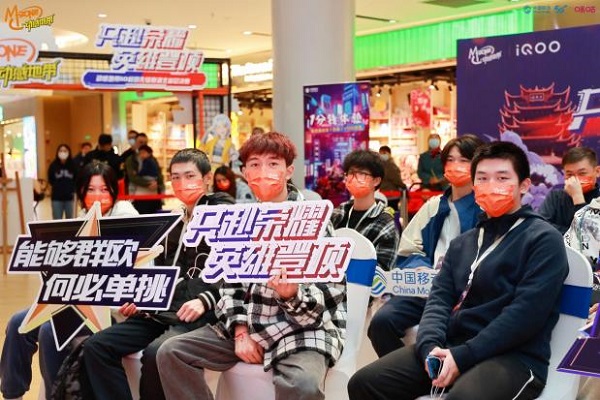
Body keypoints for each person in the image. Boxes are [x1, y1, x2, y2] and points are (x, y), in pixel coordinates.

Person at [348, 141, 569, 400]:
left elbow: (525, 315)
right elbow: (439, 300)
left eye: (502, 178)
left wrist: (463, 356)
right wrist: (429, 348)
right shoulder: (464, 242)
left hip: (513, 356)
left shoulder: (543, 239)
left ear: (524, 185)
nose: (491, 185)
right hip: (452, 346)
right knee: (364, 383)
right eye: (482, 178)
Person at [156, 132, 346, 400]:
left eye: (273, 163)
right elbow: (229, 285)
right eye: (255, 164)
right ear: (245, 173)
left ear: (289, 171)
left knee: (302, 384)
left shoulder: (312, 220)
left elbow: (329, 298)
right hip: (249, 323)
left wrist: (292, 295)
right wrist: (240, 330)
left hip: (302, 330)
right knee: (172, 352)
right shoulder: (240, 219)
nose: (263, 172)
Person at [82, 149, 234, 400]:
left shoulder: (224, 213)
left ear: (207, 178)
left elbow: (233, 271)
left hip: (199, 313)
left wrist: (205, 299)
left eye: (189, 176)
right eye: (175, 177)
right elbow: (162, 273)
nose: (182, 183)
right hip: (162, 311)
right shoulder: (174, 221)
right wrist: (142, 299)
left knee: (156, 352)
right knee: (97, 346)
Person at [0, 161, 138, 400]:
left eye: (104, 189)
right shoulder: (83, 218)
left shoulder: (125, 216)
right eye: (90, 189)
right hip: (75, 301)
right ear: (81, 191)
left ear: (114, 191)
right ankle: (13, 394)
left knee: (50, 331)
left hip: (111, 309)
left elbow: (140, 273)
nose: (97, 195)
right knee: (18, 323)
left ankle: (59, 395)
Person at [368, 135, 484, 357]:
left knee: (449, 334)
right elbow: (410, 247)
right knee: (381, 323)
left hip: (467, 295)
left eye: (464, 160)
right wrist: (419, 267)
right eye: (450, 160)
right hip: (426, 288)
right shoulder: (434, 206)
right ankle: (404, 372)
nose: (456, 166)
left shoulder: (485, 208)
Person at [330, 149, 399, 272]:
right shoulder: (337, 214)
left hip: (363, 282)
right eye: (351, 173)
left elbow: (383, 272)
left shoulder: (385, 223)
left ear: (376, 180)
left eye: (361, 174)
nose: (354, 178)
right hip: (329, 281)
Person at [539, 147, 600, 234]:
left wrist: (578, 198)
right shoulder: (555, 197)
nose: (575, 180)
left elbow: (591, 234)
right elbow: (539, 227)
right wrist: (573, 234)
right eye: (570, 174)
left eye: (582, 173)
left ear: (597, 172)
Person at [125, 133, 165, 214]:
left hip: (154, 196)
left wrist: (157, 183)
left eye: (145, 142)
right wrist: (148, 183)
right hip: (138, 197)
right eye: (140, 142)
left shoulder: (152, 159)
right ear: (135, 143)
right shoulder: (131, 159)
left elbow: (159, 174)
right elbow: (132, 177)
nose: (143, 145)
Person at [47, 144, 76, 220]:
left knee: (70, 220)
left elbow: (76, 179)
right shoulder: (53, 165)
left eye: (65, 151)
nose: (63, 152)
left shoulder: (73, 165)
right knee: (57, 220)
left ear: (69, 152)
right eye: (61, 151)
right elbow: (50, 179)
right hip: (56, 198)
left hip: (70, 198)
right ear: (57, 152)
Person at [378, 146, 406, 210]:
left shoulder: (382, 164)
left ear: (389, 153)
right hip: (391, 194)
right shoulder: (389, 165)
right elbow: (396, 179)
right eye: (381, 153)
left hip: (384, 193)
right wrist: (403, 186)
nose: (382, 155)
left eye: (384, 153)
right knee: (392, 211)